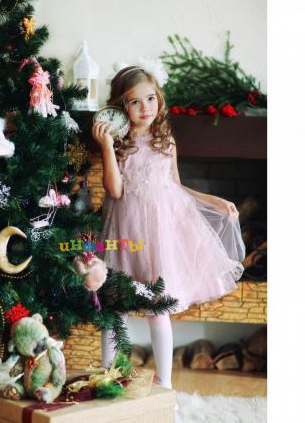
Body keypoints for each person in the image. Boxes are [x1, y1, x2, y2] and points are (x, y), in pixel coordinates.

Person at [92, 64, 246, 389]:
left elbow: (175, 185)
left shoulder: (166, 141)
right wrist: (106, 146)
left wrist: (214, 200)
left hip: (161, 234)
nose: (145, 108)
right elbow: (115, 190)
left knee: (157, 307)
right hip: (126, 231)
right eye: (135, 102)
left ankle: (164, 384)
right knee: (116, 306)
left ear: (159, 99)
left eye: (150, 98)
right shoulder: (119, 143)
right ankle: (108, 377)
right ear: (122, 106)